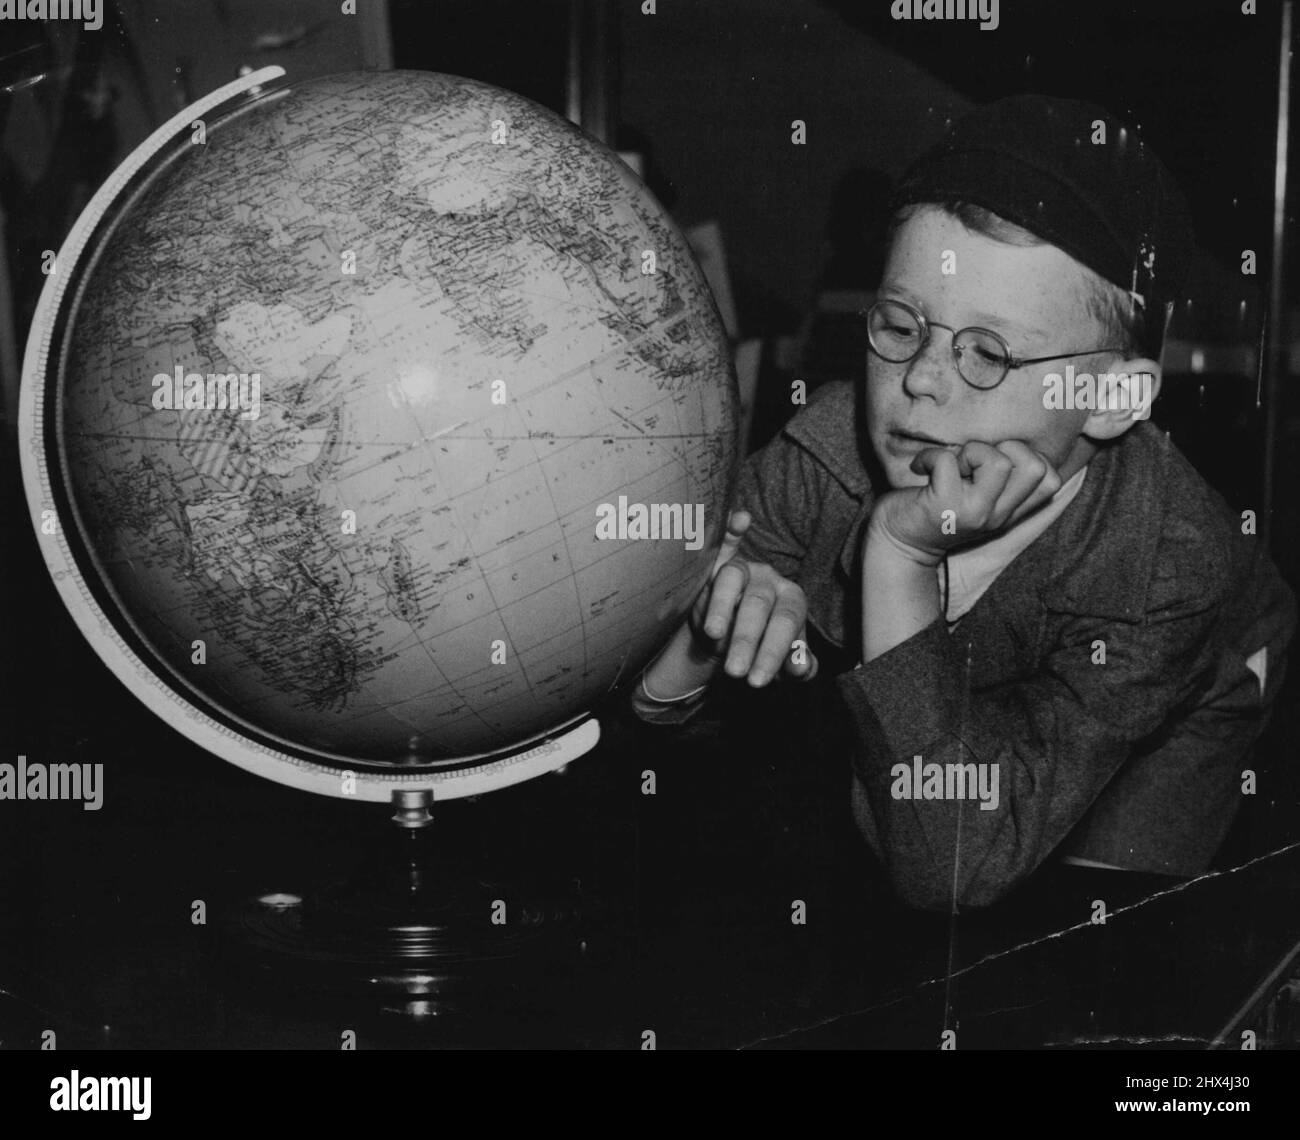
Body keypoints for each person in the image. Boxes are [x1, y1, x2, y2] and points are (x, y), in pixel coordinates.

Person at [629, 95, 1296, 911]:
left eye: (987, 352)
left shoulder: (1172, 566)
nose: (921, 380)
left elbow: (951, 867)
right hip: (950, 744)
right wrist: (702, 639)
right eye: (904, 325)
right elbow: (647, 726)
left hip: (1189, 701)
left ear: (1111, 397)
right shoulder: (824, 453)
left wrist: (901, 559)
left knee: (1100, 934)